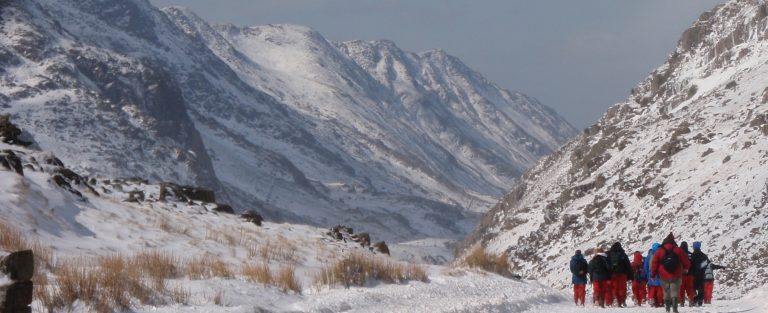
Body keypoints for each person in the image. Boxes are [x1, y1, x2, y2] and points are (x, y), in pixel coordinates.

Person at [651, 233, 690, 313]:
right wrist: (686, 268)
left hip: (663, 275)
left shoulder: (659, 251)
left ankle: (667, 309)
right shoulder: (678, 250)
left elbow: (654, 263)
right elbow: (686, 260)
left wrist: (653, 274)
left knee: (666, 292)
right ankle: (675, 309)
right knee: (675, 291)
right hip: (676, 274)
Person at [690, 241, 727, 306]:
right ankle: (700, 302)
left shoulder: (692, 255)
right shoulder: (704, 256)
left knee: (692, 288)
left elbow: (689, 265)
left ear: (694, 247)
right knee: (700, 289)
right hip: (702, 275)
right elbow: (708, 263)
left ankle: (694, 300)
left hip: (693, 275)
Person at [607, 242, 632, 307]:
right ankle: (622, 301)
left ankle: (615, 300)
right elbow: (628, 265)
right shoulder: (623, 254)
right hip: (622, 274)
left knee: (614, 287)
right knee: (622, 288)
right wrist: (629, 276)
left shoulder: (609, 254)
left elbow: (606, 265)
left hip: (612, 274)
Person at [645, 243, 663, 307]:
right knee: (659, 288)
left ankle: (651, 299)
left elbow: (646, 266)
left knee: (652, 288)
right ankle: (660, 301)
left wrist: (647, 274)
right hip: (659, 274)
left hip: (651, 274)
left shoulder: (649, 255)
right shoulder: (661, 254)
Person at [678, 241, 695, 306]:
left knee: (681, 289)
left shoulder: (678, 254)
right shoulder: (691, 254)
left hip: (681, 275)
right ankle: (691, 300)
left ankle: (682, 302)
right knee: (690, 288)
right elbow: (694, 265)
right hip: (690, 274)